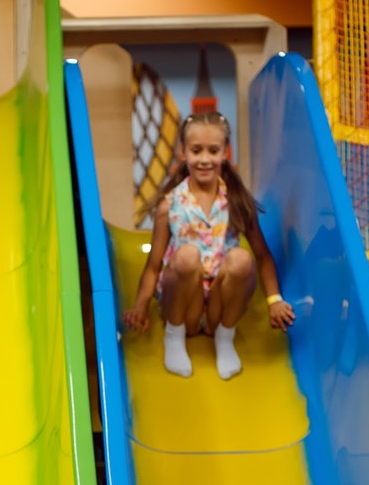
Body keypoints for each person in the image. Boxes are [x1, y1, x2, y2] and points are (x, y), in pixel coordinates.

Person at [123, 110, 294, 380]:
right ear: (183, 152)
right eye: (196, 150)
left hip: (219, 306)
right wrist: (140, 307)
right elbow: (154, 266)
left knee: (241, 259)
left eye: (213, 151)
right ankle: (174, 336)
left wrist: (274, 300)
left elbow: (262, 256)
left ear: (225, 152)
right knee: (187, 256)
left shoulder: (236, 201)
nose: (204, 159)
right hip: (183, 306)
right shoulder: (170, 205)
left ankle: (225, 338)